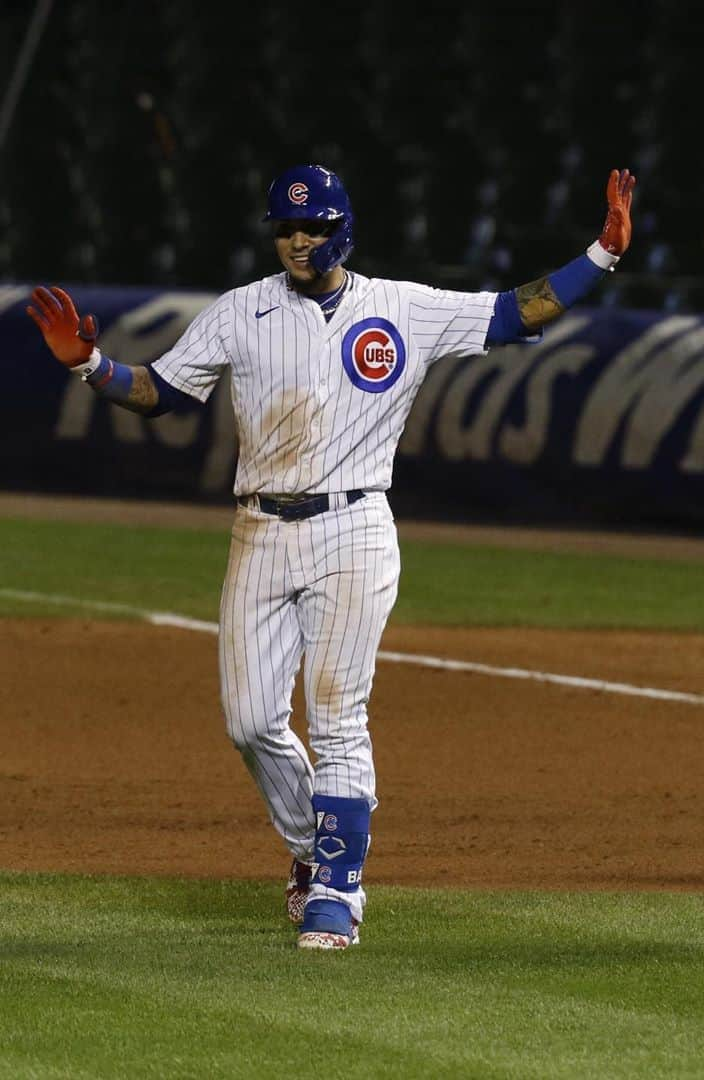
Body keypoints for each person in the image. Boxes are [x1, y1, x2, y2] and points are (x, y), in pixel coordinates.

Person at [28, 163, 636, 950]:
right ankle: (317, 851)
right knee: (250, 721)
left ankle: (338, 896)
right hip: (259, 531)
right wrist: (90, 366)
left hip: (354, 530)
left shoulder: (402, 308)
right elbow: (164, 392)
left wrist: (603, 254)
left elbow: (516, 310)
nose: (297, 239)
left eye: (311, 227)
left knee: (338, 715)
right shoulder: (240, 311)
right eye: (285, 227)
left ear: (342, 229)